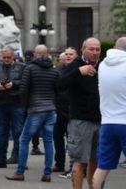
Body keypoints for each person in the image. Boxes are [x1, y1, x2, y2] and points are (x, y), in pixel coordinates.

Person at [6, 45, 59, 182]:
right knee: (48, 141)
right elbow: (57, 90)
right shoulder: (54, 70)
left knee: (24, 140)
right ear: (47, 54)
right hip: (51, 110)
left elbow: (23, 90)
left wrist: (25, 106)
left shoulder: (30, 68)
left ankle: (20, 172)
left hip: (35, 109)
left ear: (35, 54)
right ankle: (47, 173)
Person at [58, 37, 102, 189]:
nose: (95, 52)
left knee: (96, 161)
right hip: (80, 120)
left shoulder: (103, 66)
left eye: (98, 49)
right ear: (83, 50)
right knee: (80, 161)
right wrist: (78, 72)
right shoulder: (75, 65)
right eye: (91, 49)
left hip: (101, 120)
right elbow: (59, 84)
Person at [92, 37, 126, 189]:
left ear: (114, 47)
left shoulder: (103, 65)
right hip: (124, 121)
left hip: (107, 122)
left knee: (103, 166)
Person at [0, 46, 26, 168]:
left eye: (9, 57)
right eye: (4, 57)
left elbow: (25, 82)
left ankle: (19, 159)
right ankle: (1, 159)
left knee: (18, 132)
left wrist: (13, 84)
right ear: (0, 58)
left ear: (13, 57)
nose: (6, 59)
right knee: (1, 132)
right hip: (0, 103)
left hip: (17, 103)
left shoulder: (22, 67)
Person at [54, 47, 77, 175]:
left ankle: (73, 166)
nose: (68, 56)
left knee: (72, 141)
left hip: (73, 111)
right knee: (57, 137)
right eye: (66, 54)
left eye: (71, 54)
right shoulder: (58, 70)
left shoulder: (79, 69)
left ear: (76, 56)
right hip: (58, 109)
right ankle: (59, 163)